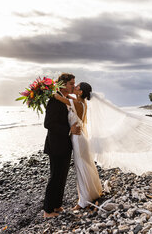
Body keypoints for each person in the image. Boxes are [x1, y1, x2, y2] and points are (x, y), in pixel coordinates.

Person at [54, 82, 103, 210]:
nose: (74, 87)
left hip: (77, 139)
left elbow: (57, 97)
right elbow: (69, 97)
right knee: (86, 165)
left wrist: (45, 88)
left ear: (80, 92)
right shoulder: (81, 102)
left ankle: (84, 201)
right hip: (81, 138)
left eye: (77, 87)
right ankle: (92, 192)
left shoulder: (76, 103)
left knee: (81, 167)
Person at [42, 73, 80, 218]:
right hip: (56, 145)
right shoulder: (54, 100)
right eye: (71, 83)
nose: (73, 86)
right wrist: (69, 130)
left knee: (62, 176)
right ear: (63, 84)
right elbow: (48, 124)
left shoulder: (63, 99)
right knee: (55, 177)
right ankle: (48, 210)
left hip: (65, 144)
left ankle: (57, 205)